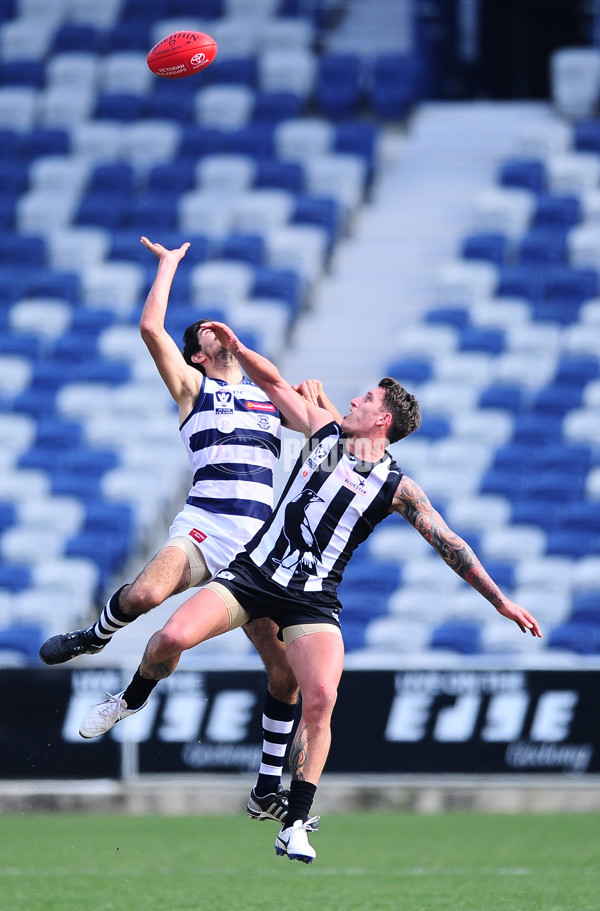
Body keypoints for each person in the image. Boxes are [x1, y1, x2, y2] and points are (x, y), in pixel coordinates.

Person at [78, 320, 543, 865]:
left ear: (383, 419)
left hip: (312, 600)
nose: (353, 398)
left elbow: (450, 542)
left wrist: (501, 602)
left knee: (320, 697)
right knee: (168, 639)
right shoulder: (323, 436)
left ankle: (294, 822)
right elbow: (274, 383)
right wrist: (237, 349)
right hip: (255, 575)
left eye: (366, 397)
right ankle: (128, 700)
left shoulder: (396, 487)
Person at [39, 239, 340, 827]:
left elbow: (334, 448)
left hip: (260, 550)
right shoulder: (193, 389)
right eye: (202, 330)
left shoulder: (266, 398)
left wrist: (322, 403)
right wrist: (168, 266)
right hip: (205, 526)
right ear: (198, 355)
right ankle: (103, 650)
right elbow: (152, 326)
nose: (213, 329)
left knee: (283, 675)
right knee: (148, 599)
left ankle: (264, 789)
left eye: (215, 326)